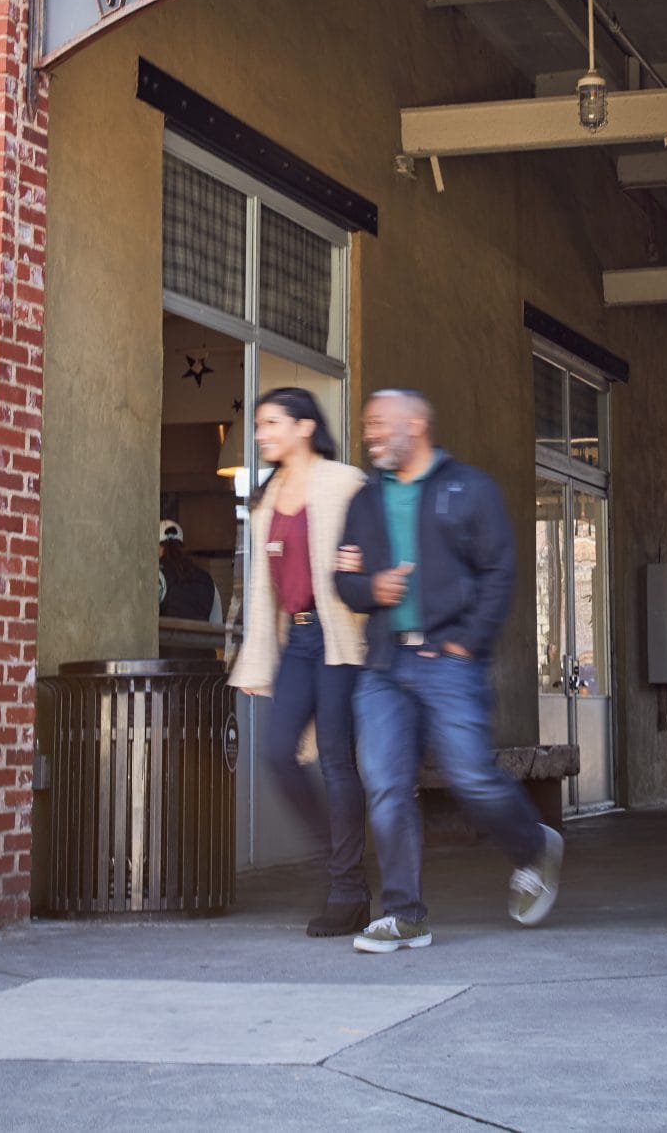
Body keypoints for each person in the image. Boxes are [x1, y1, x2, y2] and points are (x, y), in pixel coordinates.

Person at [333, 389, 563, 952]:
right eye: (367, 425)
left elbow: (500, 571)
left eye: (379, 423)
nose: (370, 434)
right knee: (385, 785)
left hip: (449, 661)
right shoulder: (364, 501)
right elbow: (343, 579)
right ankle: (404, 915)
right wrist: (372, 588)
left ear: (416, 424)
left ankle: (534, 848)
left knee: (470, 776)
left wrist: (467, 641)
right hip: (383, 666)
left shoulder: (470, 489)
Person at [227, 390, 373, 937]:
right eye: (259, 424)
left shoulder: (346, 483)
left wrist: (363, 560)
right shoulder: (265, 498)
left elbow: (377, 548)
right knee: (276, 752)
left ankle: (348, 889)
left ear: (305, 427)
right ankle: (338, 858)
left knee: (336, 760)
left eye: (271, 423)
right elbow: (262, 590)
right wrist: (256, 661)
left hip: (340, 640)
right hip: (298, 641)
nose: (261, 433)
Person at [156, 521, 221, 624]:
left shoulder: (156, 576)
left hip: (165, 634)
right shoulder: (205, 578)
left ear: (158, 547)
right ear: (182, 546)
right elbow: (217, 623)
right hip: (199, 635)